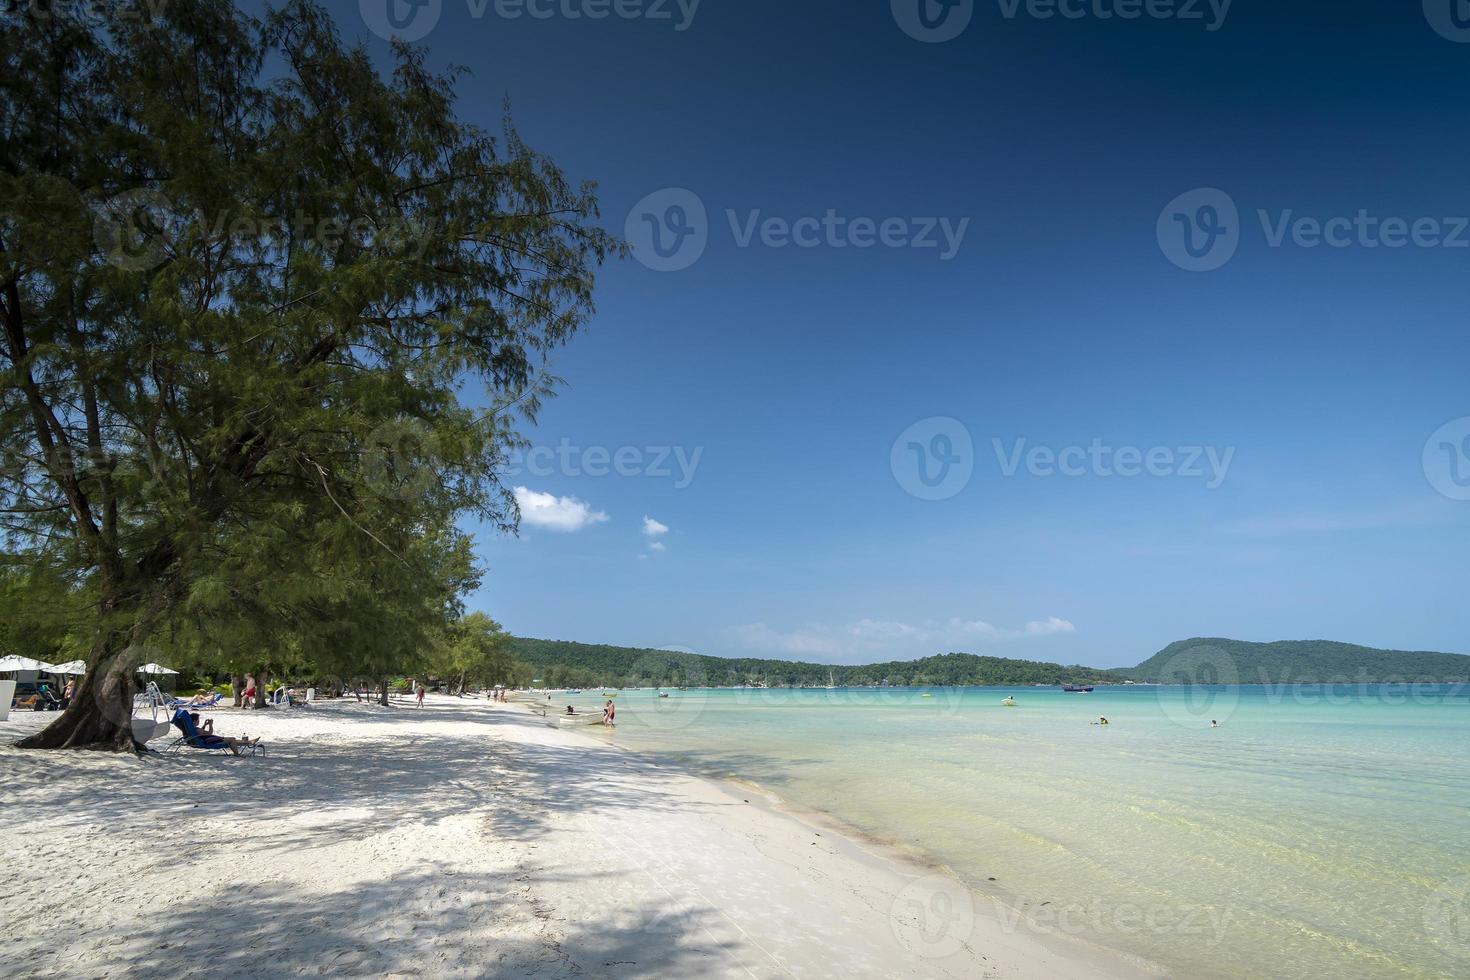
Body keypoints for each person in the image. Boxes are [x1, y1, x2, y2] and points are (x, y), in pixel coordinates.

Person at [187, 711, 259, 755]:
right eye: (198, 720)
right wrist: (211, 724)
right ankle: (237, 754)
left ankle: (249, 742)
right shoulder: (197, 730)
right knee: (232, 739)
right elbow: (209, 733)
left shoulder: (194, 729)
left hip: (206, 739)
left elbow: (201, 734)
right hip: (209, 741)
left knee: (233, 741)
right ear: (194, 721)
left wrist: (205, 725)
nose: (199, 721)